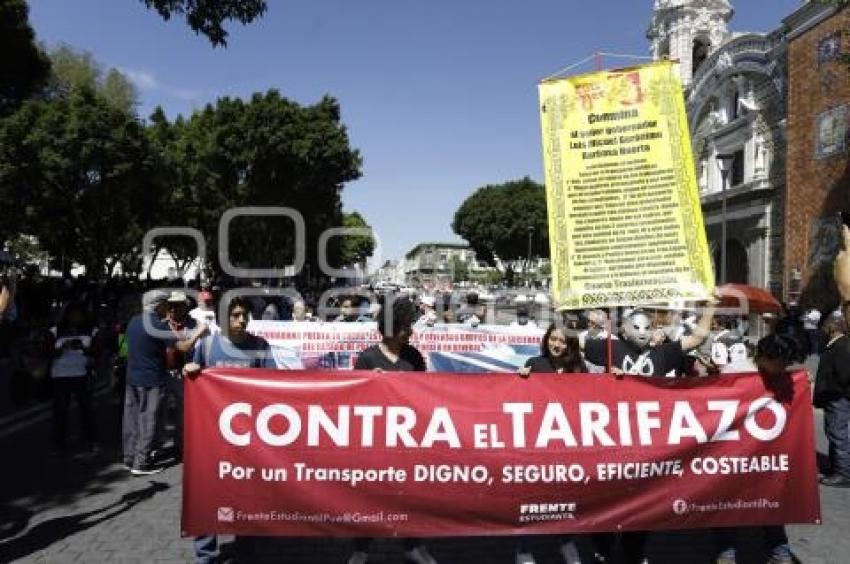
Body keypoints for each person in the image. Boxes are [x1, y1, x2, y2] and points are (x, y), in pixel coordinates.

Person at [183, 295, 279, 564]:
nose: (241, 321)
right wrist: (190, 370)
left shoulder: (260, 346)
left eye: (244, 315)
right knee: (206, 494)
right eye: (235, 315)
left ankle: (246, 547)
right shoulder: (207, 345)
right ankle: (206, 554)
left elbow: (274, 383)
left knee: (247, 495)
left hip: (248, 437)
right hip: (211, 437)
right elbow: (193, 380)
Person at [347, 296, 436, 564]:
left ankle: (413, 545)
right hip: (376, 443)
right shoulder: (367, 358)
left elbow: (424, 395)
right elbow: (353, 403)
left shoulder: (414, 357)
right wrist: (370, 384)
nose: (411, 332)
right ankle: (361, 548)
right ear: (392, 328)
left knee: (411, 496)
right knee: (369, 497)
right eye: (407, 327)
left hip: (407, 443)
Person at [716, 334, 796, 564]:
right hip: (735, 450)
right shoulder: (735, 371)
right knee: (727, 501)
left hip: (765, 450)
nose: (782, 369)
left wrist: (802, 381)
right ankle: (728, 552)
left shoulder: (781, 375)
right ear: (763, 357)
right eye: (779, 364)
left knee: (769, 499)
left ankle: (780, 551)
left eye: (785, 365)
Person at [516, 323, 585, 564]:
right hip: (538, 442)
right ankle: (524, 549)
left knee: (565, 497)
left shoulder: (579, 369)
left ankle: (567, 542)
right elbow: (519, 399)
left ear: (570, 345)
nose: (556, 345)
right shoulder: (535, 364)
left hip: (568, 443)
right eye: (553, 339)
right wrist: (519, 379)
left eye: (562, 341)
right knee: (531, 497)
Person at [123, 290, 207, 475]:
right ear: (159, 305)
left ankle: (130, 457)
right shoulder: (158, 325)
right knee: (149, 419)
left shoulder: (134, 320)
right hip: (151, 379)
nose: (170, 308)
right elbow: (183, 346)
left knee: (133, 419)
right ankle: (141, 462)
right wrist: (199, 332)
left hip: (133, 378)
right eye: (168, 304)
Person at [813, 310, 850, 487]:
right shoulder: (836, 345)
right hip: (834, 398)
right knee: (833, 433)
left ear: (831, 327)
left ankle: (843, 474)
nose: (822, 330)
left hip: (837, 398)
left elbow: (844, 376)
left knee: (838, 435)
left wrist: (830, 390)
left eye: (825, 326)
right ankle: (836, 467)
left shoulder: (841, 346)